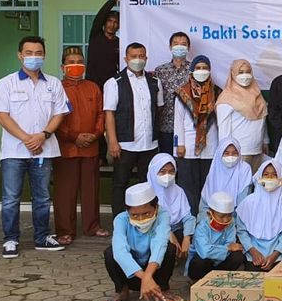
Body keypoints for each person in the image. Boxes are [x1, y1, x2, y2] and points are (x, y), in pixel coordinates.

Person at [0, 36, 70, 258]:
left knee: (43, 196)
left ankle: (42, 237)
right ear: (20, 55)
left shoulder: (53, 83)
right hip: (14, 151)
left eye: (38, 53)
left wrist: (43, 136)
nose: (34, 57)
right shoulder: (6, 83)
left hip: (44, 150)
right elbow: (2, 116)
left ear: (44, 55)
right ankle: (10, 240)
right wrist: (28, 139)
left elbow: (60, 113)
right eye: (29, 53)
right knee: (10, 198)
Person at [53, 46, 106, 244]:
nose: (76, 66)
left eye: (79, 62)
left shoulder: (93, 87)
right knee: (65, 192)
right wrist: (74, 137)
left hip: (91, 147)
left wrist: (95, 134)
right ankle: (65, 230)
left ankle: (92, 226)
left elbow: (101, 113)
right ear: (63, 66)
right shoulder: (57, 88)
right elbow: (55, 118)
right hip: (66, 148)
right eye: (71, 62)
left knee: (91, 189)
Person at [104, 41, 163, 217]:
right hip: (125, 144)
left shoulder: (155, 82)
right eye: (133, 56)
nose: (137, 60)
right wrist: (113, 142)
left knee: (147, 184)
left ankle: (146, 219)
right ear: (126, 58)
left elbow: (159, 109)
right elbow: (109, 114)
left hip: (149, 144)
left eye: (141, 56)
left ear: (146, 58)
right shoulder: (114, 83)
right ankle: (119, 222)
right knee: (120, 184)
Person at [103, 183, 183, 301]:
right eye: (134, 215)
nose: (141, 219)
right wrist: (145, 278)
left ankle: (163, 288)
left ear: (156, 208)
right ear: (127, 212)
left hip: (154, 270)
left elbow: (160, 244)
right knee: (110, 253)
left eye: (146, 213)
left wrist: (148, 276)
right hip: (131, 272)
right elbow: (120, 251)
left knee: (169, 249)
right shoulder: (121, 219)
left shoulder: (163, 215)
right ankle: (122, 291)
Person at [174, 55, 220, 210]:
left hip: (211, 146)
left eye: (205, 68)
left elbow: (220, 122)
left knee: (208, 186)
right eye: (198, 68)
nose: (202, 71)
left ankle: (205, 220)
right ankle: (190, 219)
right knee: (188, 187)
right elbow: (178, 122)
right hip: (187, 147)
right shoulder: (182, 92)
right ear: (192, 70)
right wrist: (178, 145)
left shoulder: (217, 92)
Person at [237, 160, 282, 272]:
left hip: (277, 256)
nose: (270, 178)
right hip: (252, 255)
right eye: (266, 174)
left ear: (281, 178)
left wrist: (274, 255)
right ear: (260, 177)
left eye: (274, 175)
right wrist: (253, 251)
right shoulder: (248, 202)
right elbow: (241, 231)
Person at [217, 58, 268, 172]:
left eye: (248, 72)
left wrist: (265, 141)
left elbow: (262, 119)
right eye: (241, 72)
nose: (245, 75)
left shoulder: (257, 93)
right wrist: (226, 152)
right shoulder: (227, 97)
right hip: (238, 152)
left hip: (258, 150)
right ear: (233, 74)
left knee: (255, 186)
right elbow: (223, 128)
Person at [188, 192, 245, 282]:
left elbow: (231, 243)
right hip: (202, 264)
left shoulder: (231, 223)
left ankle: (221, 279)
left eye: (229, 215)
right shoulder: (202, 227)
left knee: (238, 255)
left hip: (220, 263)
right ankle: (197, 281)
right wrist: (227, 248)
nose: (226, 220)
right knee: (200, 259)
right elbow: (205, 251)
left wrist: (227, 248)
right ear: (209, 214)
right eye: (221, 217)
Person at [148, 153, 194, 264]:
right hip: (153, 229)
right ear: (154, 172)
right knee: (163, 242)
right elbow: (150, 221)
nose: (167, 176)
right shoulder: (146, 192)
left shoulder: (178, 191)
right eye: (162, 171)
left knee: (194, 236)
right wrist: (168, 233)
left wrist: (187, 238)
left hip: (175, 227)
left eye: (171, 171)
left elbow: (188, 217)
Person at [152, 31, 191, 159]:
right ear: (170, 47)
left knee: (185, 164)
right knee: (167, 161)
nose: (179, 46)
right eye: (176, 44)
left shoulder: (194, 70)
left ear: (188, 48)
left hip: (187, 126)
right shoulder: (160, 71)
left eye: (183, 44)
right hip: (166, 126)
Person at [199, 138, 253, 215]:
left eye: (234, 153)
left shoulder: (244, 169)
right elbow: (204, 206)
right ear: (220, 154)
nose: (230, 156)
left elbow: (243, 203)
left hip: (235, 218)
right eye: (226, 153)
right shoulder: (215, 170)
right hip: (212, 219)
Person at [86, 0, 123, 97]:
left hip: (110, 85)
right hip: (92, 84)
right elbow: (101, 14)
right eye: (110, 21)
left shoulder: (119, 43)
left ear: (119, 25)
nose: (112, 24)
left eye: (115, 22)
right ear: (104, 23)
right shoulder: (96, 36)